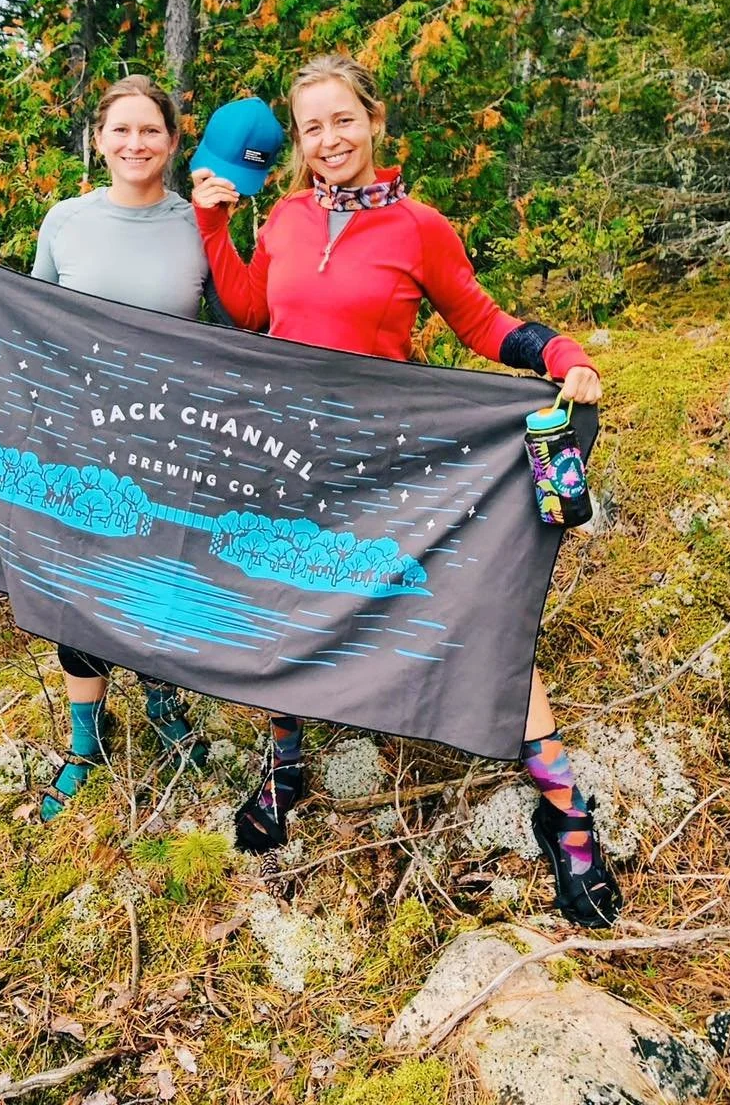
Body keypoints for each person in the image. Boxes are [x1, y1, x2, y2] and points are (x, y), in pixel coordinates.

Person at [190, 53, 622, 928]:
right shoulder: (285, 217)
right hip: (292, 451)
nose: (328, 139)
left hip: (392, 458)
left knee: (475, 615)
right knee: (286, 602)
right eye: (312, 127)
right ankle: (284, 770)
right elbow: (251, 316)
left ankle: (567, 820)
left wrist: (564, 356)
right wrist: (212, 229)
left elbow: (485, 322)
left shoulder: (418, 226)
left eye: (341, 119)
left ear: (373, 121)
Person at [0, 74, 221, 822]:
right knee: (76, 588)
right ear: (99, 139)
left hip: (169, 442)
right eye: (120, 130)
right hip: (78, 438)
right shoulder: (66, 221)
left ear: (173, 142)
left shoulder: (199, 226)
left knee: (160, 574)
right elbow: (27, 321)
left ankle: (161, 703)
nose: (135, 144)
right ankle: (86, 741)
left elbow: (241, 322)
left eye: (150, 131)